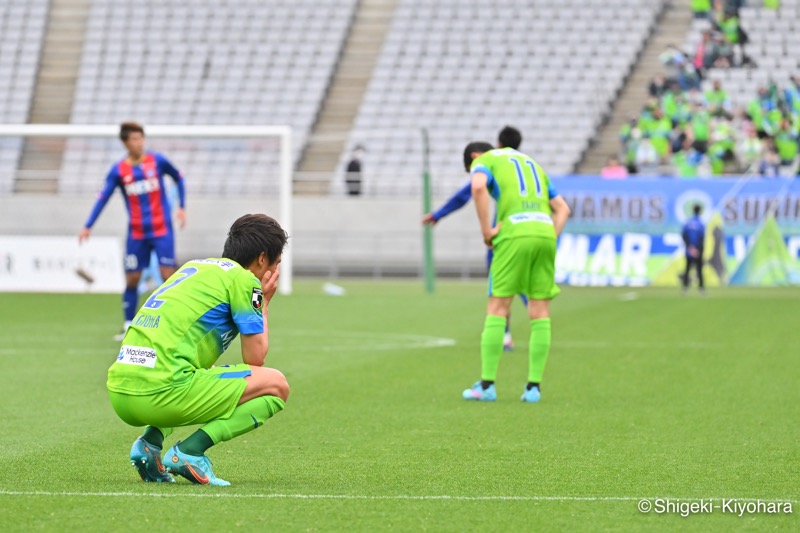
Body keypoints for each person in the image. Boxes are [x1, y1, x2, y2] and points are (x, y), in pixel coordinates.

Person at [107, 213, 290, 486]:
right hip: (160, 393)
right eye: (276, 264)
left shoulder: (194, 268)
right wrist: (263, 304)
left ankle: (150, 443)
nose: (275, 271)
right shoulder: (244, 279)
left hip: (120, 392)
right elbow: (255, 358)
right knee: (277, 386)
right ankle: (190, 451)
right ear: (262, 259)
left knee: (203, 369)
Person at [461, 141, 570, 403]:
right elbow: (563, 209)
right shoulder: (532, 163)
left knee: (498, 307)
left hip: (513, 233)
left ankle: (487, 385)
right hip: (545, 232)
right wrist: (546, 237)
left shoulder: (484, 160)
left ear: (475, 156)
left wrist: (486, 231)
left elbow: (477, 187)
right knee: (540, 311)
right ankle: (533, 388)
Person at [422, 126, 528, 351]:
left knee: (499, 288)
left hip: (504, 235)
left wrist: (439, 215)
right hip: (534, 232)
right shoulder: (528, 168)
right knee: (527, 286)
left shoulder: (491, 165)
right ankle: (537, 326)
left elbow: (467, 192)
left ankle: (503, 337)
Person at [79, 122, 187, 340]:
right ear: (125, 142)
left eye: (141, 138)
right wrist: (88, 225)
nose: (139, 143)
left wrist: (182, 207)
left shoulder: (157, 161)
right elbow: (103, 198)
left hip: (162, 230)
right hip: (137, 233)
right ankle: (129, 324)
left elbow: (179, 178)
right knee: (132, 279)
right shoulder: (119, 170)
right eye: (134, 139)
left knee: (169, 276)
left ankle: (176, 324)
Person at [682, 204, 706, 294]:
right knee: (699, 269)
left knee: (687, 268)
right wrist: (697, 249)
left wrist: (689, 247)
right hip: (698, 249)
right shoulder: (700, 223)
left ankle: (685, 288)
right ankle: (701, 289)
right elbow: (702, 237)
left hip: (689, 249)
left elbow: (684, 235)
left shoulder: (688, 222)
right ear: (699, 211)